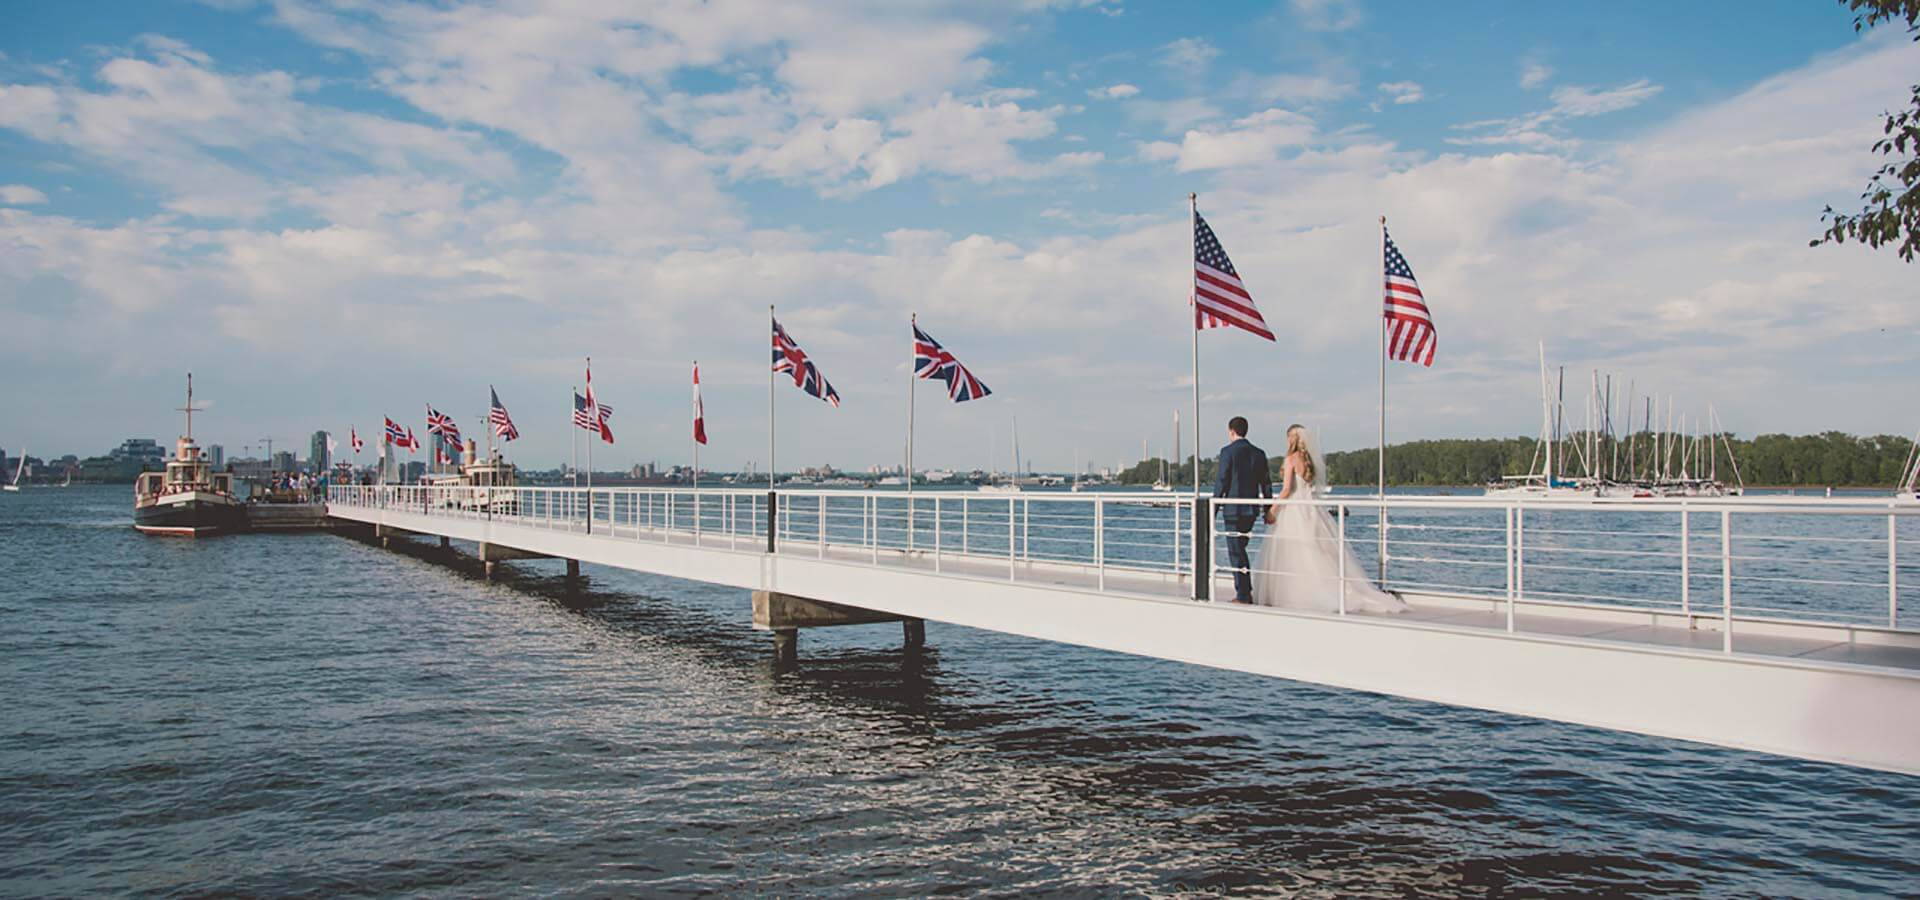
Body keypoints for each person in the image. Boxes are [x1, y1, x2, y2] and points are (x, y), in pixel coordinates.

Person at [1252, 424, 1407, 613]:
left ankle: (1301, 593)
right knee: (1319, 552)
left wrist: (1273, 511)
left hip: (1294, 509)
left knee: (1293, 552)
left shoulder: (1291, 459)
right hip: (1312, 509)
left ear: (1291, 439)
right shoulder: (1309, 461)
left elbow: (1286, 490)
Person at [1212, 415, 1271, 604]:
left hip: (1233, 510)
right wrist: (1267, 508)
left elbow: (1222, 480)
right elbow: (1266, 484)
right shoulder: (1258, 453)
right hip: (1251, 509)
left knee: (1235, 551)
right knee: (1240, 548)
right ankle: (1245, 588)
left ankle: (1244, 593)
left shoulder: (1228, 452)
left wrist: (1213, 507)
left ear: (1231, 431)